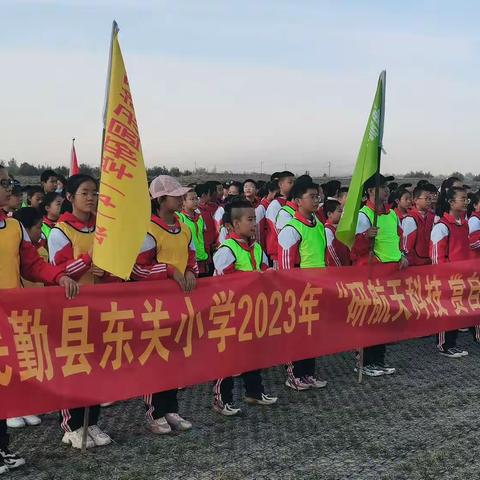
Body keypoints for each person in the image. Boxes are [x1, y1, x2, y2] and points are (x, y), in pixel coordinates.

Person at [0, 164, 79, 473]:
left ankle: (2, 446)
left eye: (8, 182)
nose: (10, 188)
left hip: (9, 320)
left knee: (5, 385)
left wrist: (57, 277)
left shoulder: (14, 227)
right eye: (4, 183)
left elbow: (31, 265)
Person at [48, 174, 113, 449]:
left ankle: (92, 420)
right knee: (74, 364)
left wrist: (106, 268)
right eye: (85, 193)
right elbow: (58, 271)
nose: (91, 198)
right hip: (71, 308)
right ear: (70, 198)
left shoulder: (102, 229)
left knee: (97, 364)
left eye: (95, 193)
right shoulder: (60, 232)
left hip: (99, 305)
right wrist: (88, 262)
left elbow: (114, 264)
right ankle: (71, 425)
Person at [132, 175, 197, 434]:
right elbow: (138, 269)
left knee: (175, 356)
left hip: (179, 303)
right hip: (154, 307)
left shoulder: (184, 227)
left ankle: (171, 408)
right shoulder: (147, 229)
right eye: (176, 196)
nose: (182, 199)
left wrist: (190, 270)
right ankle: (155, 412)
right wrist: (169, 270)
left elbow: (190, 256)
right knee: (155, 357)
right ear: (160, 200)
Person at [212, 199, 277, 415]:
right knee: (227, 357)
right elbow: (223, 280)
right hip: (229, 313)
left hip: (252, 311)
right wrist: (254, 277)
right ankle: (222, 399)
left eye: (255, 219)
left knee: (253, 352)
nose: (254, 224)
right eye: (249, 220)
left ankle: (254, 392)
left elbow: (265, 269)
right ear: (232, 226)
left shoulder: (256, 247)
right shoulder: (227, 249)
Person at [351, 173, 407, 377]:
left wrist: (402, 254)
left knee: (384, 318)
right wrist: (365, 237)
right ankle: (365, 362)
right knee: (371, 318)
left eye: (387, 187)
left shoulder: (391, 214)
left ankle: (379, 360)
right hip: (371, 273)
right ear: (370, 191)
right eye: (382, 187)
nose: (386, 190)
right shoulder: (364, 215)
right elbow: (353, 249)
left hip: (390, 274)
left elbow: (398, 238)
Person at [278, 181, 328, 390]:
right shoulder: (292, 228)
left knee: (312, 332)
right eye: (312, 196)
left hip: (318, 286)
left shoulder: (317, 224)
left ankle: (308, 373)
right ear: (298, 201)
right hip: (299, 290)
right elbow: (286, 265)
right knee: (298, 333)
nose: (316, 200)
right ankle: (294, 375)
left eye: (317, 196)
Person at [430, 186, 475, 357]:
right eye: (462, 199)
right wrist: (445, 276)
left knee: (458, 311)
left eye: (466, 199)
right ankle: (444, 345)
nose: (465, 202)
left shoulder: (464, 224)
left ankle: (452, 343)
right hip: (447, 278)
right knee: (446, 311)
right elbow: (436, 256)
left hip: (462, 276)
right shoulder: (442, 226)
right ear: (450, 202)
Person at [265, 171, 295, 266]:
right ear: (281, 184)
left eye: (294, 182)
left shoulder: (292, 202)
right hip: (279, 250)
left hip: (292, 249)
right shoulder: (275, 205)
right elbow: (276, 229)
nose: (293, 185)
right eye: (290, 182)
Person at [177, 189, 209, 276]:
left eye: (196, 198)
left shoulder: (200, 217)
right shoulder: (180, 218)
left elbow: (203, 237)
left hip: (202, 258)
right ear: (183, 202)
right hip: (190, 261)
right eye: (192, 199)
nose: (195, 201)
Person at [402, 186, 435, 266]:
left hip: (429, 260)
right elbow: (406, 245)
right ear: (416, 200)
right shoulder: (410, 219)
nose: (429, 202)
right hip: (414, 263)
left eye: (430, 199)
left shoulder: (433, 217)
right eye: (426, 199)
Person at [324, 199, 351, 267]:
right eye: (339, 211)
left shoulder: (339, 229)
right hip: (337, 270)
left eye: (342, 211)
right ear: (329, 214)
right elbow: (331, 254)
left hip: (346, 267)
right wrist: (339, 269)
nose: (342, 214)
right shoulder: (327, 230)